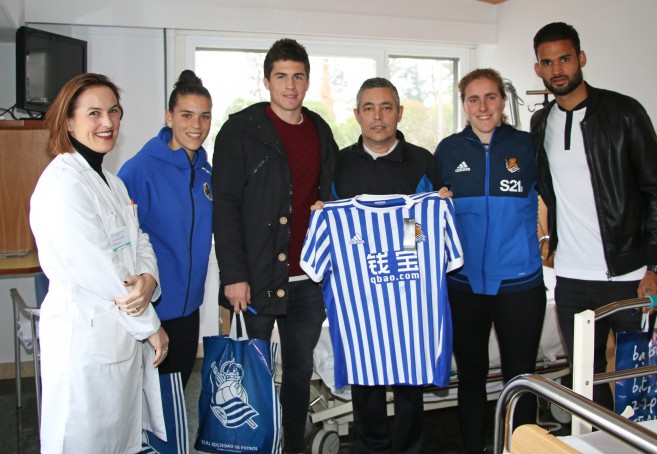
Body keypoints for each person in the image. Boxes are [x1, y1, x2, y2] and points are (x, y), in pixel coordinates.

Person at [531, 22, 657, 409]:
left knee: (643, 382)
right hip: (573, 280)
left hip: (628, 277)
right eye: (547, 62)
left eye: (564, 58)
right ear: (538, 69)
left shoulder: (624, 112)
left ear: (581, 59)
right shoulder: (540, 123)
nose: (557, 69)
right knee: (586, 382)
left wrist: (656, 268)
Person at [29, 73, 168, 453]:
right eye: (94, 113)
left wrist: (149, 279)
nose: (107, 122)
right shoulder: (63, 185)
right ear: (68, 121)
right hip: (85, 343)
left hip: (120, 335)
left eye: (113, 111)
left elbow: (139, 239)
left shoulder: (111, 182)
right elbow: (100, 268)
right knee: (82, 438)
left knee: (119, 438)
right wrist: (151, 325)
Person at [212, 38, 338, 453]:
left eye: (298, 76)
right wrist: (233, 276)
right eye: (281, 76)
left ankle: (292, 447)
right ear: (266, 81)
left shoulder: (320, 130)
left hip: (307, 279)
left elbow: (335, 192)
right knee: (251, 373)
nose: (290, 85)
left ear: (307, 82)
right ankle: (253, 444)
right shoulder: (240, 130)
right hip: (256, 278)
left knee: (300, 373)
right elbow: (225, 207)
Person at [318, 77, 443, 454]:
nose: (378, 117)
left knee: (409, 380)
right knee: (365, 378)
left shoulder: (422, 160)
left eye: (386, 107)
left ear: (399, 113)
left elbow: (425, 226)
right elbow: (333, 221)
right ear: (357, 114)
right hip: (361, 297)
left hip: (408, 290)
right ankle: (370, 447)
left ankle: (409, 448)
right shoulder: (339, 164)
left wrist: (405, 239)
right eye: (369, 108)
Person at [434, 68, 546, 452]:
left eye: (491, 97)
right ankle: (472, 447)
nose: (483, 107)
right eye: (473, 99)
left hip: (520, 283)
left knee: (520, 378)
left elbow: (562, 199)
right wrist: (422, 247)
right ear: (463, 105)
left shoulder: (529, 147)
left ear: (503, 102)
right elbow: (418, 219)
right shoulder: (447, 150)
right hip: (463, 284)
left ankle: (520, 447)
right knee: (470, 375)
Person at [119, 69, 213, 388]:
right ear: (169, 117)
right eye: (186, 115)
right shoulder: (138, 171)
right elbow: (120, 245)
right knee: (148, 403)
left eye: (204, 116)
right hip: (152, 308)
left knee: (175, 394)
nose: (196, 125)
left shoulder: (205, 173)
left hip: (189, 309)